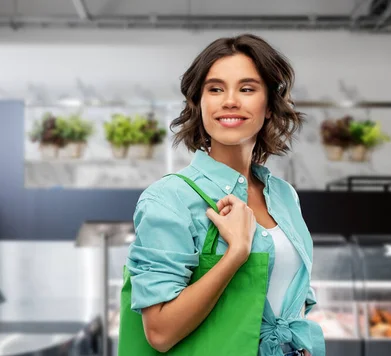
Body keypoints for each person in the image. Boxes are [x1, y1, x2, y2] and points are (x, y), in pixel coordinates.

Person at [125, 34, 324, 356]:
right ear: (198, 103)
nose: (230, 101)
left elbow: (292, 292)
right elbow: (160, 333)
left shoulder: (284, 195)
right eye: (215, 89)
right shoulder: (169, 198)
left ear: (270, 106)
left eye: (247, 89)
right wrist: (236, 254)